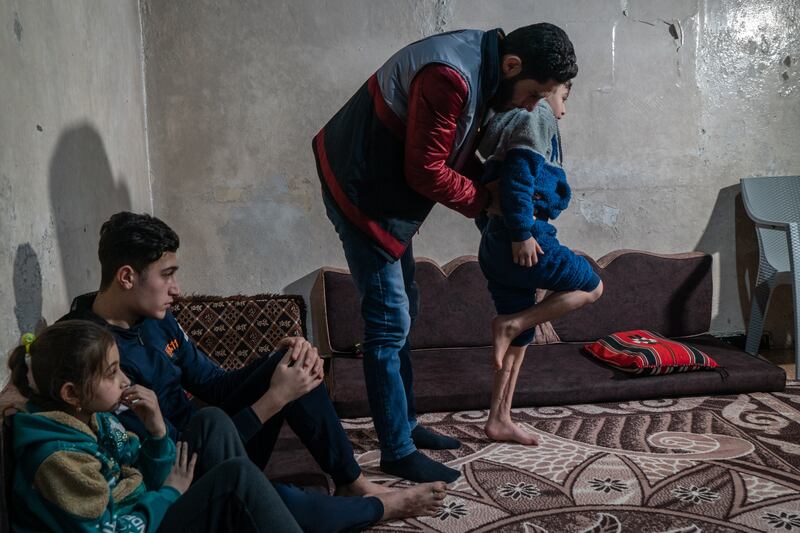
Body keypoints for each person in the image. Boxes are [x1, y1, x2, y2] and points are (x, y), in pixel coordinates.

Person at [58, 212, 446, 533]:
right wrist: (274, 399)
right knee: (276, 495)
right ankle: (380, 509)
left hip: (215, 437)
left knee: (290, 361)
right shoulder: (98, 357)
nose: (177, 289)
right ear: (127, 277)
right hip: (181, 468)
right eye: (167, 275)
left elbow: (214, 382)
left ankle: (352, 482)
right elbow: (165, 456)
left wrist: (271, 360)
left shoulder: (157, 318)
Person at [313, 23, 578, 482]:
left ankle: (407, 427)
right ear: (513, 66)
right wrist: (486, 201)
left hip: (386, 186)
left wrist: (490, 198)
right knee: (388, 317)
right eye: (535, 93)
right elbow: (426, 171)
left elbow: (451, 150)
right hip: (359, 187)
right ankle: (396, 450)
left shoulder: (484, 65)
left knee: (406, 305)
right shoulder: (449, 75)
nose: (535, 106)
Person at [9, 320, 302, 532]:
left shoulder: (98, 419)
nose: (125, 380)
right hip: (134, 523)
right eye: (112, 374)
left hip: (145, 509)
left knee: (211, 421)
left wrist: (157, 432)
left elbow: (145, 476)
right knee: (239, 479)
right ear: (71, 394)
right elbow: (112, 528)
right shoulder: (58, 459)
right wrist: (170, 495)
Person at [476, 80, 603, 445]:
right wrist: (522, 233)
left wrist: (498, 232)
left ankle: (499, 418)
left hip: (495, 242)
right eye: (564, 97)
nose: (564, 109)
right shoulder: (538, 114)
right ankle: (511, 323)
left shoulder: (505, 122)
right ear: (551, 87)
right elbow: (518, 176)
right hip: (527, 235)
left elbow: (494, 185)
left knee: (520, 341)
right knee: (591, 285)